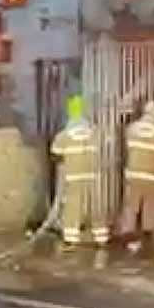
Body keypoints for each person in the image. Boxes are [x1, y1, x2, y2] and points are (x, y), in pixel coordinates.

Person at [118, 100, 154, 250]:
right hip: (152, 177)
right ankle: (147, 235)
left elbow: (127, 147)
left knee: (131, 206)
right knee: (149, 207)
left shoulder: (132, 129)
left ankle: (127, 234)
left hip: (134, 174)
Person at [50, 96, 101, 247]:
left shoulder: (64, 135)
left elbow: (55, 155)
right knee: (94, 205)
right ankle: (101, 236)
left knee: (72, 205)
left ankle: (71, 237)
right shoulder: (94, 132)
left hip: (73, 176)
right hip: (92, 175)